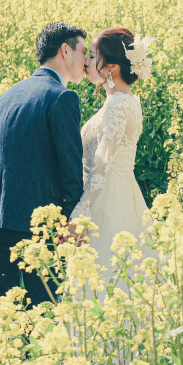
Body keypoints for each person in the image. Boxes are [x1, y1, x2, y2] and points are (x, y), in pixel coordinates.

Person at [0, 22, 86, 307]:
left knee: (3, 312)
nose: (86, 60)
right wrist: (66, 223)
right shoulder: (62, 96)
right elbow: (71, 171)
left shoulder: (7, 95)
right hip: (39, 227)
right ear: (65, 50)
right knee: (44, 310)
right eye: (83, 51)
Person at [70, 28, 157, 292]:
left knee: (104, 280)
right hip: (123, 194)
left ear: (112, 67)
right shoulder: (127, 100)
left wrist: (82, 212)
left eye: (92, 55)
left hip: (107, 201)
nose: (86, 62)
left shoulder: (118, 104)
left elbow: (103, 163)